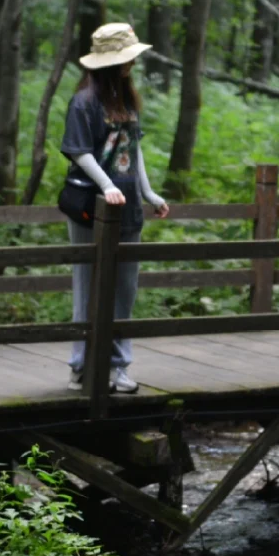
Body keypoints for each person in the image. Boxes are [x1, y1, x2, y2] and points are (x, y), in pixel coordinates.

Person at [60, 22, 169, 393]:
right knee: (88, 287)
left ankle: (119, 367)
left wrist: (149, 193)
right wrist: (105, 186)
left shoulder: (126, 102)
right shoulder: (84, 102)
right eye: (126, 60)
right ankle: (82, 367)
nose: (131, 66)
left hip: (129, 209)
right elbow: (78, 151)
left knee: (125, 289)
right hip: (91, 207)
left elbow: (131, 153)